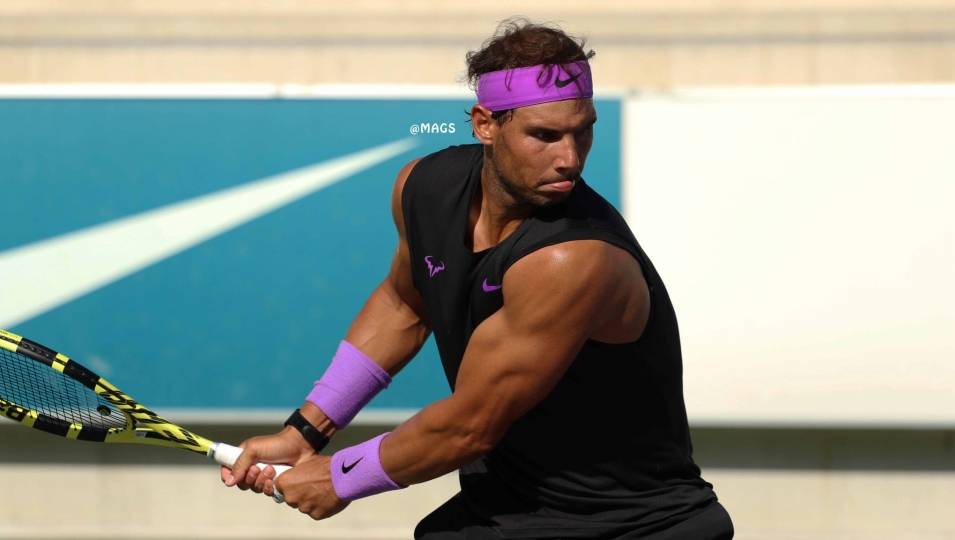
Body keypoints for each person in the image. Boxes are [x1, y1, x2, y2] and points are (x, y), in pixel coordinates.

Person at [222, 19, 734, 539]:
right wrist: (305, 431)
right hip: (510, 505)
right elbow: (405, 307)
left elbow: (469, 425)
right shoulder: (424, 188)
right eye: (545, 135)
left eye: (584, 130)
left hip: (634, 526)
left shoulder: (573, 258)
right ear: (485, 124)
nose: (571, 158)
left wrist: (340, 477)